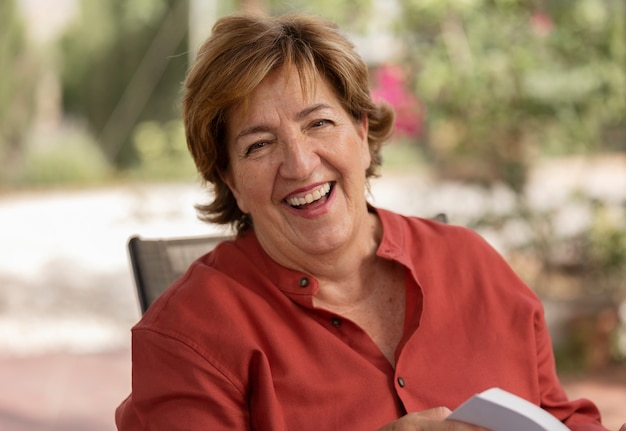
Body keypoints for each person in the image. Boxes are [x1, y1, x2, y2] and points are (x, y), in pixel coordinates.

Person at [115, 11, 625, 431]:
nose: (300, 164)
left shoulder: (474, 266)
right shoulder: (187, 339)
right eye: (259, 144)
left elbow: (560, 418)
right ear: (229, 180)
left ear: (362, 133)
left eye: (319, 123)